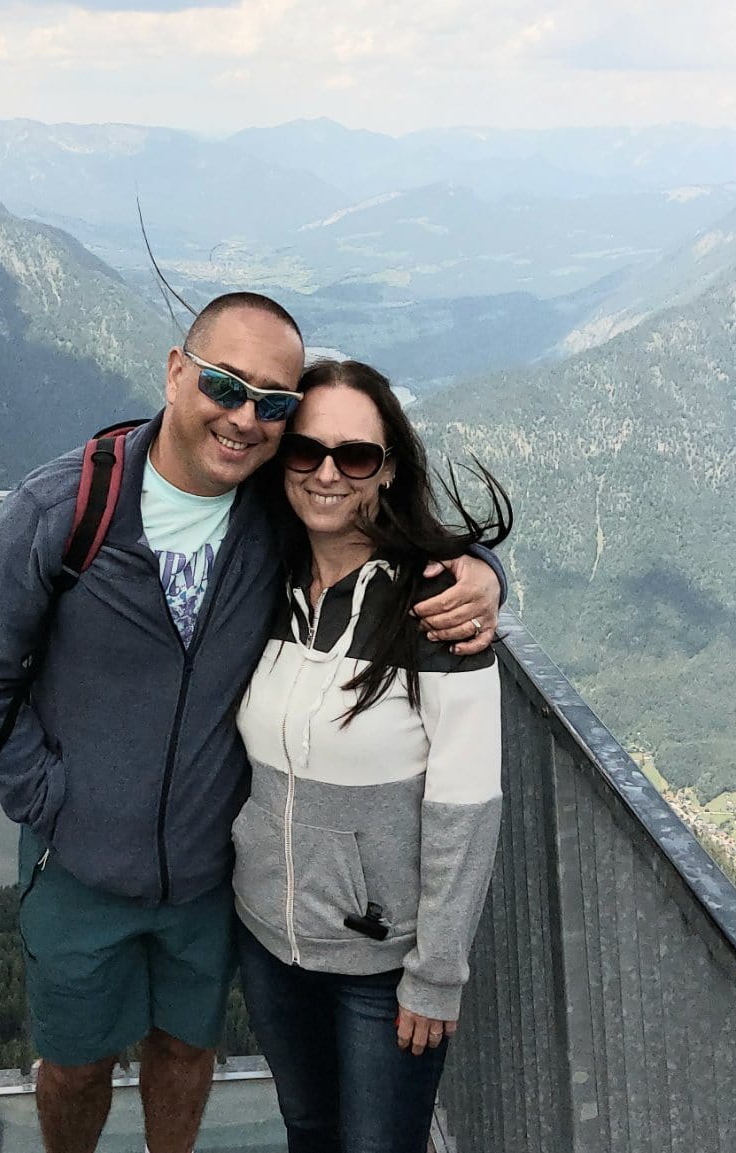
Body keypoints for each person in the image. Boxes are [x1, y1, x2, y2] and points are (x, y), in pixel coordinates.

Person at [0, 293, 504, 1153]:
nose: (245, 419)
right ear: (176, 372)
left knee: (186, 1053)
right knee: (75, 1066)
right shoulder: (66, 509)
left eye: (273, 404)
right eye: (225, 386)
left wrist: (481, 570)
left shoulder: (270, 512)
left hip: (209, 876)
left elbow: (372, 522)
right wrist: (52, 798)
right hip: (79, 866)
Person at [231, 359, 509, 1153]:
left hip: (384, 967)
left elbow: (465, 806)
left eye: (354, 456)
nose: (327, 473)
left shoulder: (436, 610)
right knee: (308, 1129)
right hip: (268, 941)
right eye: (306, 449)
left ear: (388, 469)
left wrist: (437, 972)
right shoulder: (259, 583)